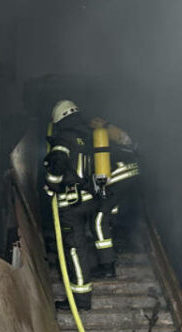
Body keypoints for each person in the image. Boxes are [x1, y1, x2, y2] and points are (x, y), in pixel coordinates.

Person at [43, 99, 96, 310]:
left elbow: (57, 164)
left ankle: (80, 300)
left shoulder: (63, 139)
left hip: (71, 203)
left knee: (74, 249)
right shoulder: (85, 138)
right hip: (87, 199)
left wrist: (50, 188)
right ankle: (81, 294)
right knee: (80, 245)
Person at [86, 117, 141, 278]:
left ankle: (107, 267)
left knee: (98, 220)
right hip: (127, 175)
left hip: (118, 175)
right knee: (112, 211)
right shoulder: (104, 132)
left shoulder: (99, 131)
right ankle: (118, 246)